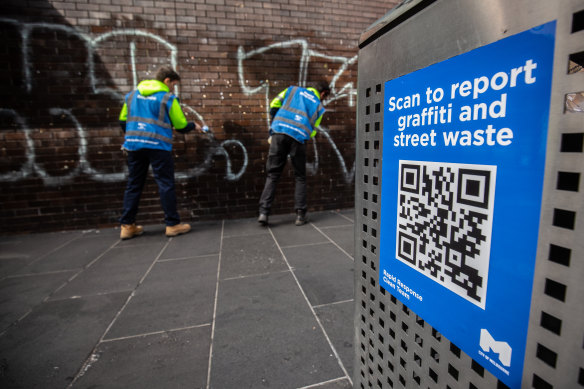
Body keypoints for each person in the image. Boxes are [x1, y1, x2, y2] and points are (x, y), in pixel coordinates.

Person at [118, 66, 203, 239]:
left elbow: (122, 121)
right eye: (174, 84)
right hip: (158, 146)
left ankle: (127, 226)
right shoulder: (167, 98)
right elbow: (180, 126)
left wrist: (135, 135)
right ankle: (172, 224)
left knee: (134, 184)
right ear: (167, 81)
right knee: (165, 183)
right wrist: (194, 125)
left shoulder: (132, 96)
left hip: (134, 146)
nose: (173, 88)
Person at [258, 81, 331, 226]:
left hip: (279, 133)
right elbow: (313, 130)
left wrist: (276, 125)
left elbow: (274, 104)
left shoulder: (292, 90)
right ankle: (300, 215)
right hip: (298, 138)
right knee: (300, 177)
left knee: (273, 175)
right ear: (322, 93)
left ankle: (264, 213)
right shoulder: (319, 106)